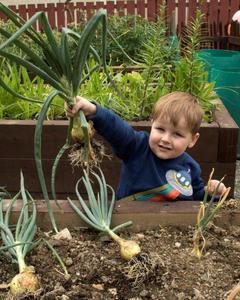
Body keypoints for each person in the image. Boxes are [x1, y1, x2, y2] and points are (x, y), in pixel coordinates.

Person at [65, 91, 227, 201]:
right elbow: (118, 130)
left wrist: (211, 193)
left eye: (177, 134)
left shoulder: (191, 168)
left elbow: (197, 198)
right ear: (152, 124)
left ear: (193, 140)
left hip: (174, 232)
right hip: (129, 222)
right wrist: (94, 111)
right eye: (160, 129)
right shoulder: (137, 147)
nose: (165, 139)